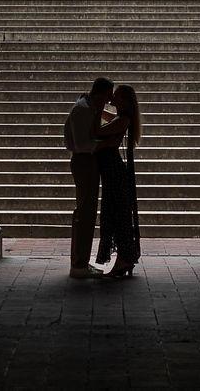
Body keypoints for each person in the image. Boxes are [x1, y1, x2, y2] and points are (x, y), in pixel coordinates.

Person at [64, 77, 114, 279]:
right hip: (84, 161)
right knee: (85, 213)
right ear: (100, 94)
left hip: (87, 162)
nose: (109, 101)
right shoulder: (83, 110)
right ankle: (79, 264)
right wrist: (106, 143)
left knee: (86, 211)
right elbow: (82, 144)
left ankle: (80, 261)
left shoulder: (89, 106)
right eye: (108, 97)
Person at [93, 84, 142, 278]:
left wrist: (96, 107)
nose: (112, 98)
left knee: (118, 216)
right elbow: (106, 116)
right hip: (111, 172)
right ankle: (124, 260)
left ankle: (124, 260)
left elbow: (96, 131)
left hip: (114, 172)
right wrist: (97, 106)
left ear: (125, 101)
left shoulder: (122, 120)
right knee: (115, 215)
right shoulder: (120, 117)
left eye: (116, 96)